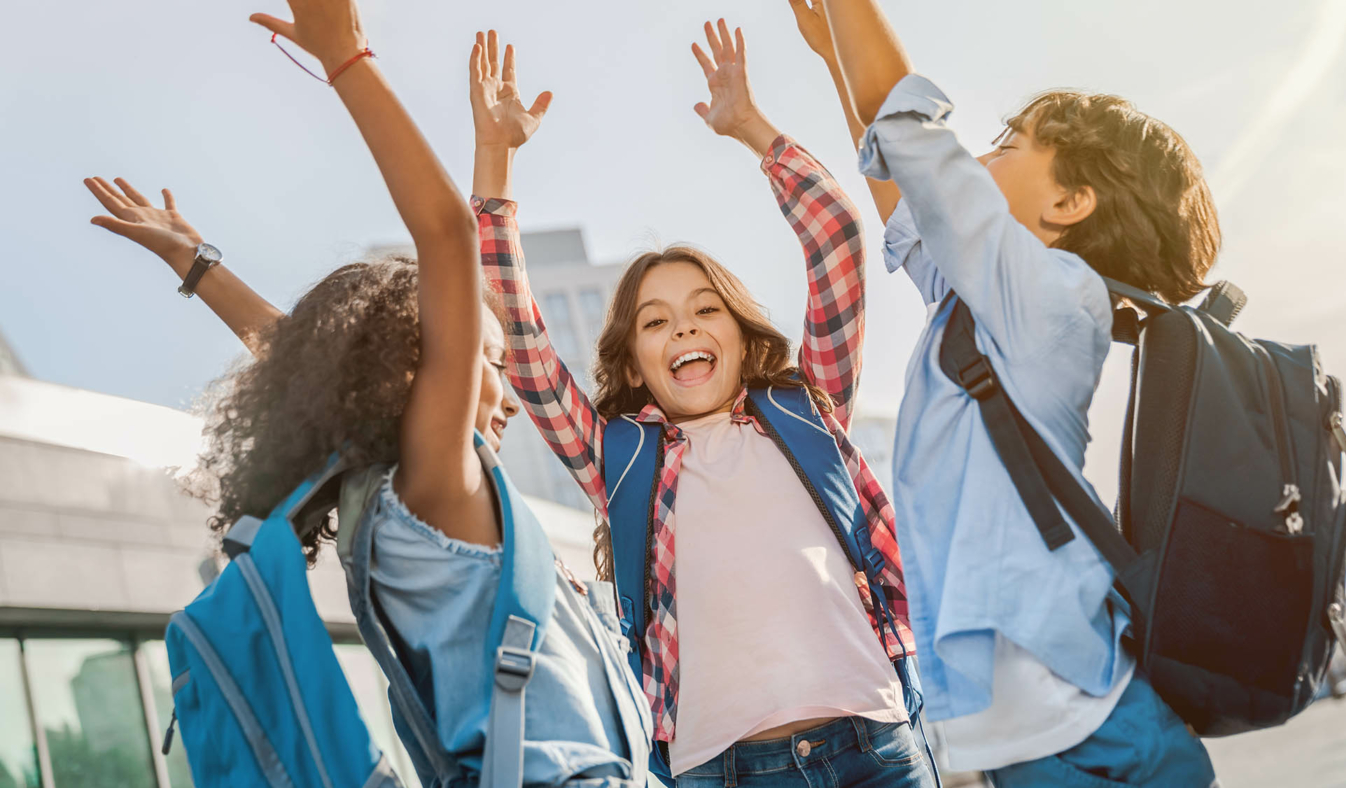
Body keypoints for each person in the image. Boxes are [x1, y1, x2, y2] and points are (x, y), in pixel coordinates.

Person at [84, 5, 650, 784]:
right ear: (411, 372)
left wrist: (199, 265)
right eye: (485, 358)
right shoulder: (436, 489)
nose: (507, 390)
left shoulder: (384, 504)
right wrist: (348, 59)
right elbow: (446, 237)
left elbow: (298, 356)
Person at [482, 18, 937, 788]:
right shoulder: (620, 459)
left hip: (875, 748)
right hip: (719, 771)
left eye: (704, 309)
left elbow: (835, 239)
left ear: (740, 330)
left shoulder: (806, 410)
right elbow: (523, 347)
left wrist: (749, 127)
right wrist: (495, 165)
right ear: (634, 361)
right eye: (656, 321)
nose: (684, 326)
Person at [810, 0, 1221, 785]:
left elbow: (915, 142)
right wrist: (835, 55)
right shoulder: (980, 309)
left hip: (1090, 725)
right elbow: (901, 184)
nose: (981, 157)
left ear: (1068, 206)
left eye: (1006, 145)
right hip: (1030, 734)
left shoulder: (1055, 299)